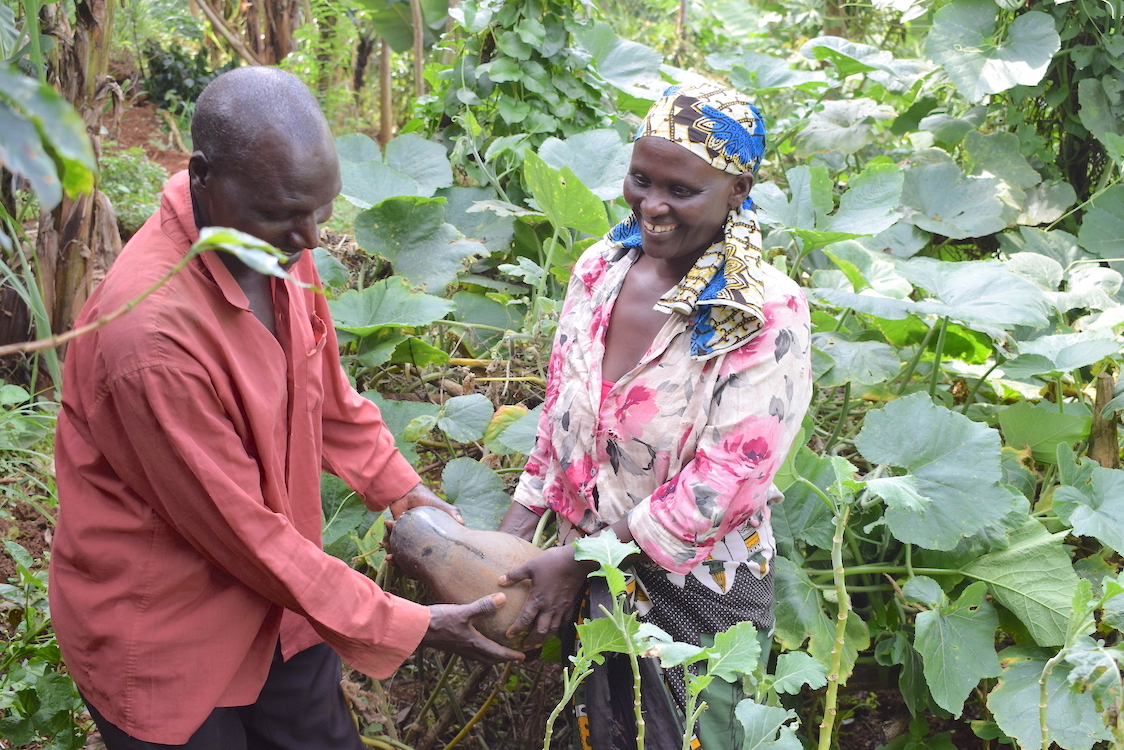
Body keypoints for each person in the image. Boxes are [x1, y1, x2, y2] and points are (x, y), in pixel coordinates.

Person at [50, 66, 521, 750]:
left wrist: (404, 491)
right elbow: (242, 534)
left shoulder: (273, 238)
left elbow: (326, 396)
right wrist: (412, 627)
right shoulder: (151, 340)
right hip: (168, 638)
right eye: (285, 215)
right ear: (204, 177)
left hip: (287, 608)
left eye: (320, 212)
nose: (312, 240)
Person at [497, 82, 812, 749]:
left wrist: (582, 560)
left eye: (682, 190)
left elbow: (725, 484)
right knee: (597, 732)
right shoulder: (599, 271)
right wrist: (518, 527)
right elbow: (560, 412)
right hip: (581, 574)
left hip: (697, 594)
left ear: (737, 189)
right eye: (641, 179)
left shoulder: (762, 312)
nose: (653, 206)